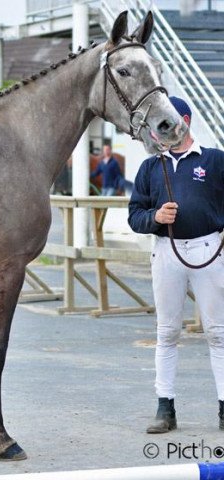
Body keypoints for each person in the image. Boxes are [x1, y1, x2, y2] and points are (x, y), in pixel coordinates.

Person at [128, 96, 224, 434]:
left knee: (218, 332)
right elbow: (134, 215)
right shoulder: (150, 168)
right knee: (167, 332)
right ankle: (164, 407)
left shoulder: (215, 161)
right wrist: (154, 217)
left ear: (183, 120)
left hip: (208, 249)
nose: (157, 131)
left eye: (165, 122)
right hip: (167, 252)